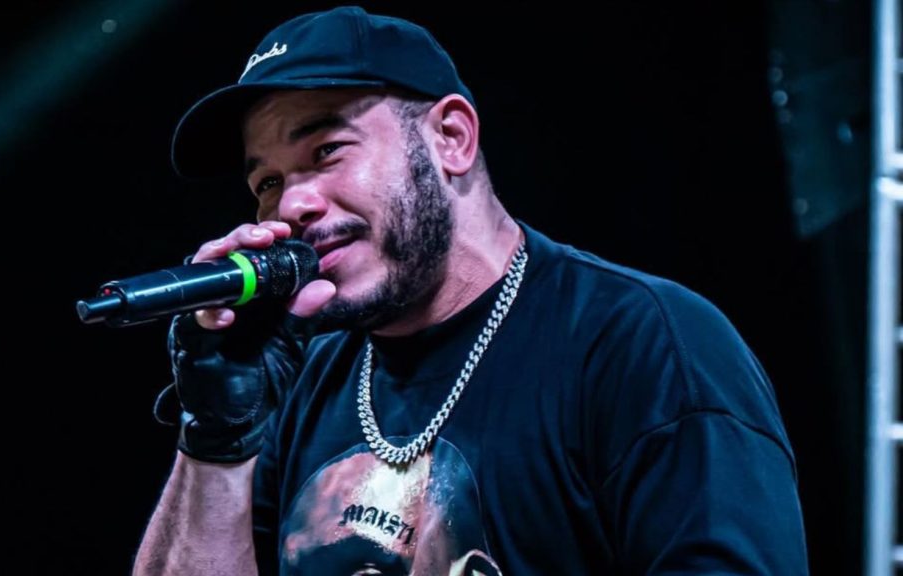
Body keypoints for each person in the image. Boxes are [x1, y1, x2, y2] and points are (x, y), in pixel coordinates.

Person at [134, 6, 808, 575]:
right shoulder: (303, 383)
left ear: (451, 138)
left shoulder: (643, 343)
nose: (293, 205)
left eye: (327, 150)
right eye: (268, 183)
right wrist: (216, 438)